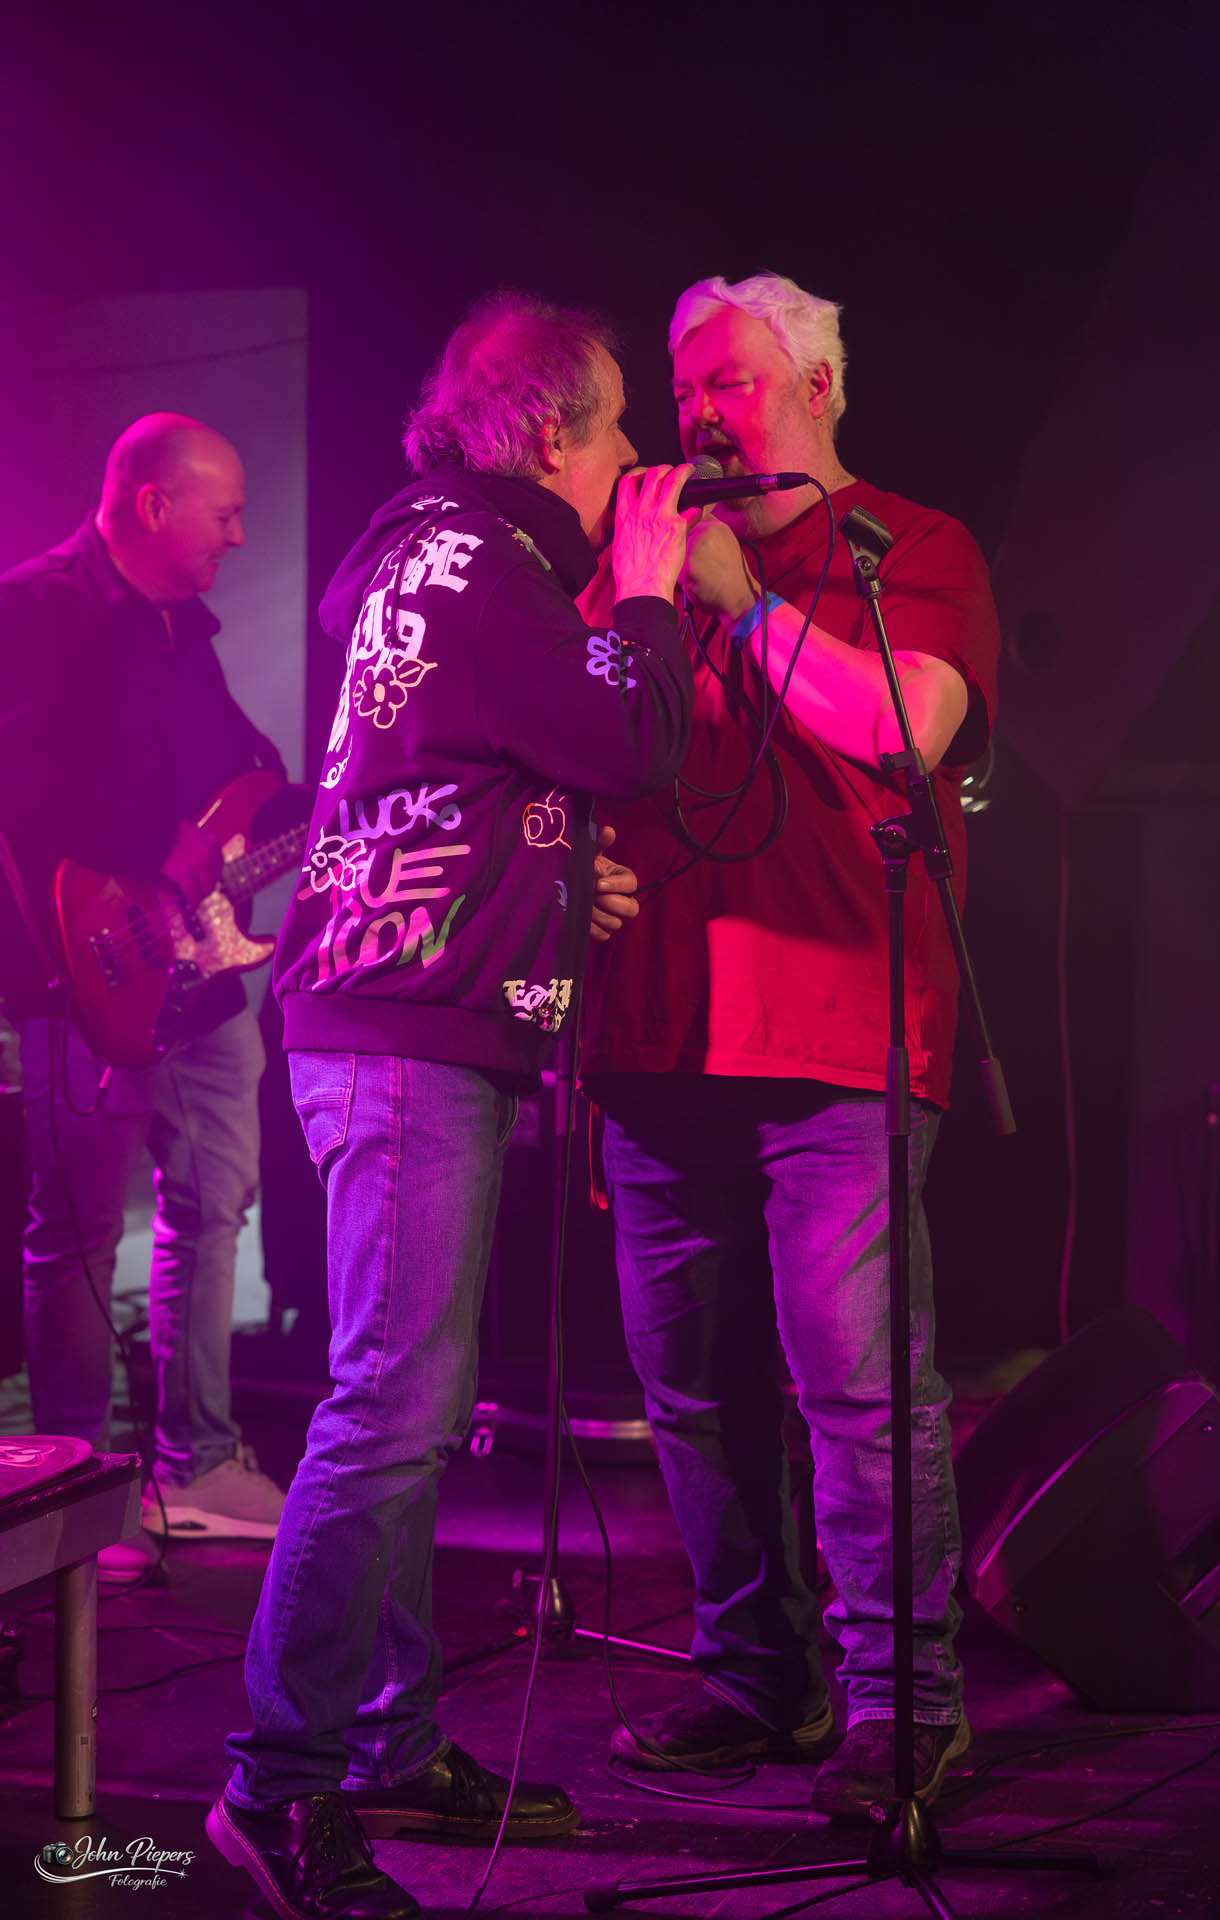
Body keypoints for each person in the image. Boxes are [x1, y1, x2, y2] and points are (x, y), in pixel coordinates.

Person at [208, 292, 695, 1920]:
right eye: (617, 425)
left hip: (402, 1021)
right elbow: (633, 738)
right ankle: (277, 1785)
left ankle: (390, 1741)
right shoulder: (484, 566)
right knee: (393, 1410)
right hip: (405, 1035)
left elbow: (461, 791)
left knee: (412, 1407)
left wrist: (547, 903)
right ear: (548, 429)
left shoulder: (426, 557)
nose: (633, 459)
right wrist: (648, 589)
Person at [580, 271, 1000, 1821]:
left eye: (733, 382)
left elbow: (904, 727)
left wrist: (742, 603)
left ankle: (905, 1711)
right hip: (654, 1041)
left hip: (838, 1039)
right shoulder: (637, 565)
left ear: (818, 388)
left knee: (858, 1391)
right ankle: (759, 1678)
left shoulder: (908, 547)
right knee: (693, 1391)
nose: (699, 414)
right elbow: (574, 747)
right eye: (685, 387)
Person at [0, 414, 291, 1579]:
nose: (238, 534)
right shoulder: (36, 609)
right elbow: (21, 783)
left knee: (212, 1203)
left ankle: (196, 1460)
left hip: (195, 978)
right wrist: (155, 846)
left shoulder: (186, 627)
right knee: (75, 1230)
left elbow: (244, 771)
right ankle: (78, 1487)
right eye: (223, 513)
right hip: (81, 974)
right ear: (153, 505)